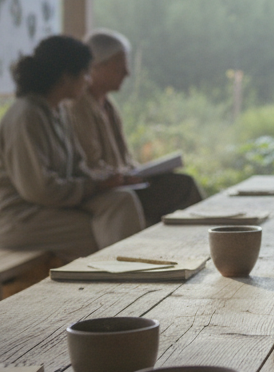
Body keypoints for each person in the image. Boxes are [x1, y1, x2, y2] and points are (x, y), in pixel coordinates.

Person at [0, 35, 145, 259]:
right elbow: (40, 190)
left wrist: (110, 180)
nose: (88, 81)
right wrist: (94, 187)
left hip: (47, 209)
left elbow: (78, 166)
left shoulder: (57, 111)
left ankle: (124, 279)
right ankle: (122, 285)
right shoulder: (26, 116)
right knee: (111, 227)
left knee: (121, 202)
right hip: (15, 216)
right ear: (66, 77)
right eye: (85, 73)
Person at [63, 30, 203, 226]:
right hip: (108, 190)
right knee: (183, 187)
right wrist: (121, 178)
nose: (127, 73)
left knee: (180, 182)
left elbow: (125, 160)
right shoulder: (78, 107)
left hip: (126, 183)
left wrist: (142, 173)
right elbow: (90, 164)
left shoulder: (109, 105)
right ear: (97, 67)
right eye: (120, 67)